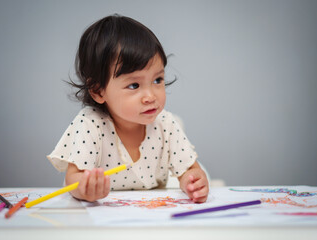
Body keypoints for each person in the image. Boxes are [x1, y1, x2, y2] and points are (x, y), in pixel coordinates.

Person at [47, 14, 209, 203]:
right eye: (134, 86)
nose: (151, 96)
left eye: (157, 80)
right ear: (98, 91)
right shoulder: (90, 124)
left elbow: (190, 169)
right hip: (103, 221)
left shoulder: (165, 123)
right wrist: (86, 189)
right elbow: (73, 179)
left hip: (151, 217)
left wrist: (195, 182)